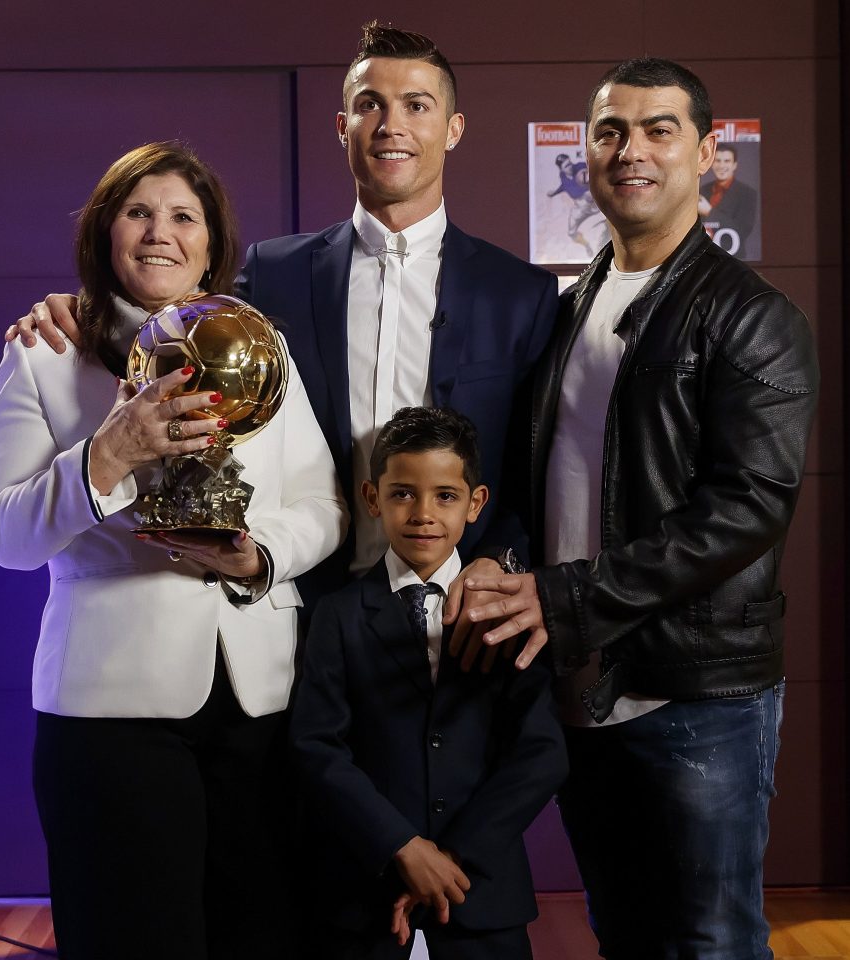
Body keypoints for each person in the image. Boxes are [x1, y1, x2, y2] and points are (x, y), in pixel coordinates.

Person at [6, 21, 558, 614]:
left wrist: (499, 561)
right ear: (343, 127)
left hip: (464, 614)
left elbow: (535, 472)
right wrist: (80, 310)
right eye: (369, 105)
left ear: (453, 130)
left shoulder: (520, 293)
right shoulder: (273, 273)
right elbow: (178, 319)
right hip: (310, 618)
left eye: (416, 106)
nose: (391, 125)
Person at [455, 58, 819, 958]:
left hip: (697, 691)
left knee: (713, 942)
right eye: (612, 130)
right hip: (581, 683)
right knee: (624, 931)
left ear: (709, 155)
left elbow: (748, 508)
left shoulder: (751, 316)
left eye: (661, 129)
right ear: (586, 152)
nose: (632, 150)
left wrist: (564, 597)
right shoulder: (567, 308)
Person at [0, 142, 347, 960]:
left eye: (185, 217)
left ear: (212, 246)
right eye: (138, 213)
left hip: (263, 706)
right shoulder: (44, 350)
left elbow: (324, 505)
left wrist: (259, 558)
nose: (160, 234)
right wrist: (105, 458)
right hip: (110, 713)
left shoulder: (262, 351)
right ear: (106, 233)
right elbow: (3, 536)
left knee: (261, 937)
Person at [290, 407, 566, 959]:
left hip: (481, 888)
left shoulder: (507, 612)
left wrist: (454, 857)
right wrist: (403, 848)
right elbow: (315, 747)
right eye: (401, 494)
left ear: (475, 503)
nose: (423, 514)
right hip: (365, 890)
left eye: (445, 495)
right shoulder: (337, 616)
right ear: (372, 499)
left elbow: (542, 753)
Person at [698, 143, 758, 257]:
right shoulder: (702, 190)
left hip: (734, 259)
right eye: (718, 161)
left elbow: (743, 230)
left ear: (734, 165)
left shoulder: (748, 193)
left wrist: (709, 212)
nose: (722, 166)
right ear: (711, 163)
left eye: (727, 161)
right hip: (704, 258)